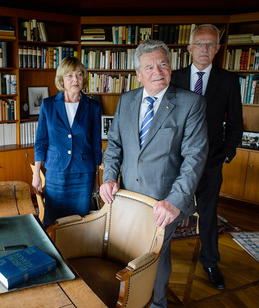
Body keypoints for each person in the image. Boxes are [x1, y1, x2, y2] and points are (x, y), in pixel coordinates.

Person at [99, 40, 208, 308]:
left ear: (170, 67)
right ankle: (130, 299)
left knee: (154, 256)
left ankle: (158, 303)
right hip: (127, 196)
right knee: (129, 251)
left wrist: (174, 201)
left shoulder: (191, 103)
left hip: (164, 202)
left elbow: (194, 158)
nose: (157, 71)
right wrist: (109, 177)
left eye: (163, 64)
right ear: (138, 74)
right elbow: (114, 145)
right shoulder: (126, 101)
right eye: (149, 66)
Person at [171, 24, 243, 290]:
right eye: (199, 44)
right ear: (189, 48)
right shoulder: (174, 77)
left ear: (217, 49)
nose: (204, 49)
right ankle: (155, 257)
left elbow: (235, 122)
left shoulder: (228, 81)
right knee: (167, 210)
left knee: (209, 215)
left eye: (210, 44)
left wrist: (226, 154)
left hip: (211, 161)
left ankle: (211, 262)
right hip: (175, 161)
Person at [33, 56, 102, 227]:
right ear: (61, 79)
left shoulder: (93, 107)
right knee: (52, 220)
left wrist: (96, 177)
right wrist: (36, 175)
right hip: (56, 173)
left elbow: (96, 145)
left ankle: (76, 253)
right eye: (69, 75)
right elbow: (41, 141)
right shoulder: (48, 105)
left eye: (79, 74)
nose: (75, 80)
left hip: (83, 174)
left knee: (79, 222)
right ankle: (53, 252)